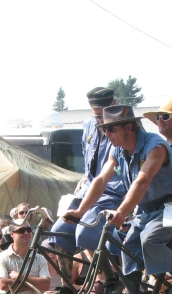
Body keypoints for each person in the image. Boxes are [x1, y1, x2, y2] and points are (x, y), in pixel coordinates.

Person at [64, 105, 172, 294]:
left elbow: (142, 181)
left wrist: (122, 212)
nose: (107, 135)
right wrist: (80, 211)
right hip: (149, 210)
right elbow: (100, 180)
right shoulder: (117, 150)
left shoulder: (155, 146)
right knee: (125, 244)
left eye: (111, 129)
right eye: (104, 130)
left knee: (150, 239)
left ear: (129, 126)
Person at [48, 87, 126, 280]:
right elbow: (89, 158)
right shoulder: (89, 125)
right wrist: (85, 176)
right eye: (96, 115)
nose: (100, 121)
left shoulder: (123, 127)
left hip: (112, 193)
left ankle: (110, 280)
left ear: (113, 105)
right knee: (58, 233)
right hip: (88, 190)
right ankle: (66, 288)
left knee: (85, 233)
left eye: (102, 115)